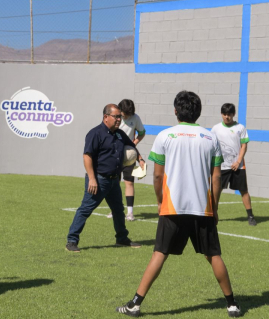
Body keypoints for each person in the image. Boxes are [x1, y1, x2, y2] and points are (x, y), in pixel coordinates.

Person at [116, 91, 241, 318]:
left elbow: (157, 176)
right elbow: (216, 178)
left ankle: (135, 304)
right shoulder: (210, 138)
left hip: (172, 207)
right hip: (202, 208)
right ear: (199, 112)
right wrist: (214, 208)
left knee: (159, 254)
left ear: (175, 111)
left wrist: (159, 201)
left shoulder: (165, 136)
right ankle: (232, 305)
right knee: (213, 255)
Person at [66, 104, 144, 253]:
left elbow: (131, 146)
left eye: (120, 117)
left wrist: (140, 159)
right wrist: (92, 179)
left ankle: (122, 238)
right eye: (116, 117)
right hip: (99, 180)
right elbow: (87, 156)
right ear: (106, 117)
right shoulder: (95, 133)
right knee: (85, 209)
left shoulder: (120, 134)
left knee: (118, 210)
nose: (119, 119)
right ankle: (72, 241)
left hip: (114, 180)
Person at [211, 103, 255, 226]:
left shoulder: (240, 128)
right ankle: (213, 214)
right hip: (221, 166)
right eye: (224, 114)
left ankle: (250, 216)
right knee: (216, 190)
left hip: (238, 166)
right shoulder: (215, 129)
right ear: (221, 114)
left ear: (233, 114)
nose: (227, 117)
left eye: (229, 114)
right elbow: (211, 146)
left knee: (244, 191)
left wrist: (238, 161)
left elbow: (244, 146)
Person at [107, 99, 146, 221]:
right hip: (114, 154)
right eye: (125, 114)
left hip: (129, 155)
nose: (127, 117)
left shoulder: (135, 118)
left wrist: (134, 144)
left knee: (129, 182)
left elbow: (142, 132)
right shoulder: (115, 118)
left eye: (129, 114)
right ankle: (115, 210)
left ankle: (130, 213)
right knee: (115, 183)